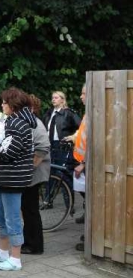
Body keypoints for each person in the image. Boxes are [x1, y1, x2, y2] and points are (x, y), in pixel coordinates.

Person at [0, 87, 36, 271]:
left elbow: (9, 151)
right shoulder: (14, 121)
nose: (2, 105)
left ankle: (15, 259)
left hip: (12, 178)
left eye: (4, 102)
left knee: (12, 218)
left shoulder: (17, 124)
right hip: (5, 177)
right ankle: (3, 251)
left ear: (12, 105)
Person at [21, 94, 50, 255]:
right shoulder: (31, 121)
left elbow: (43, 147)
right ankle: (30, 242)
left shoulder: (35, 123)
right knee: (28, 209)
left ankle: (35, 245)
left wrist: (31, 166)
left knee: (30, 209)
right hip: (31, 173)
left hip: (34, 174)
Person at [64, 84, 87, 250]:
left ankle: (89, 238)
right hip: (81, 162)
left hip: (86, 164)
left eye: (83, 93)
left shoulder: (94, 113)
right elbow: (82, 133)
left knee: (92, 200)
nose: (80, 96)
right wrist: (72, 137)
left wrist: (84, 163)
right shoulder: (88, 113)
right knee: (88, 198)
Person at [42, 91, 81, 185]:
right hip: (49, 145)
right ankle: (48, 198)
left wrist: (73, 137)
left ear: (62, 100)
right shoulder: (49, 113)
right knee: (50, 172)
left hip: (62, 145)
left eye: (56, 97)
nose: (53, 99)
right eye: (52, 98)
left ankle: (68, 198)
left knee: (62, 173)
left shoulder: (69, 113)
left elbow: (81, 126)